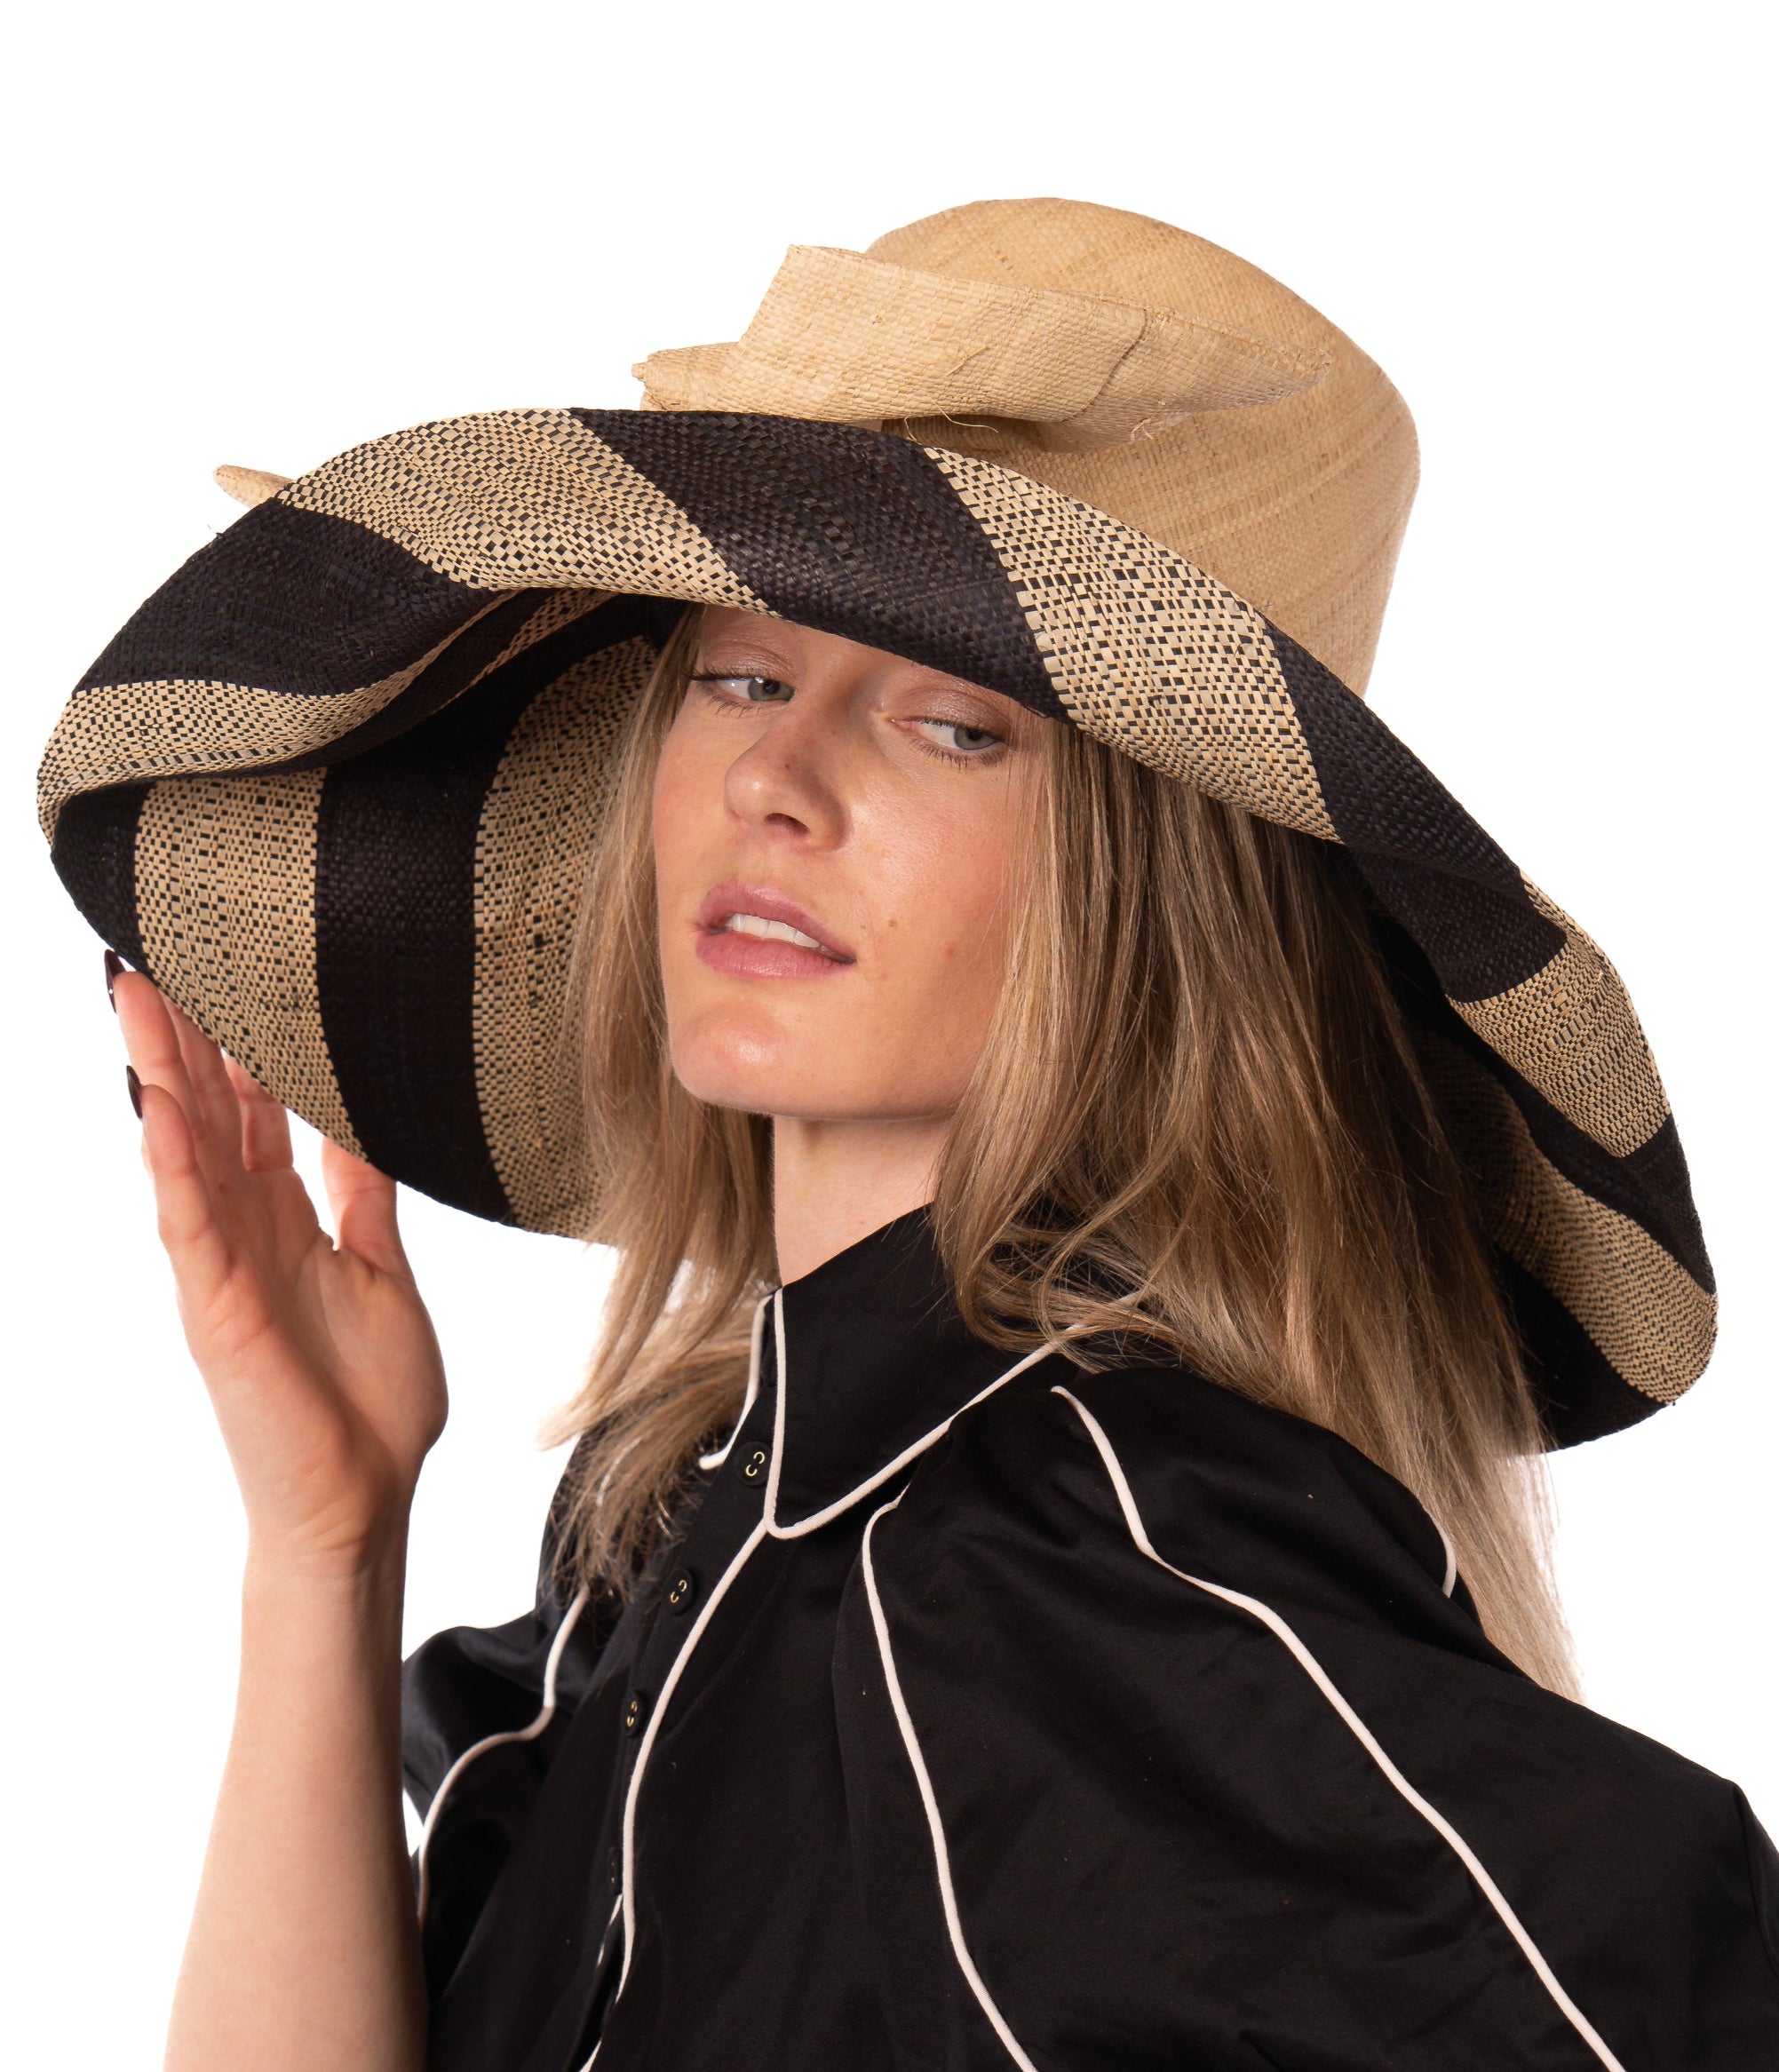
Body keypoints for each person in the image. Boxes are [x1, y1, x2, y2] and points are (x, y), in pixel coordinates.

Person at [43, 200, 1777, 2069]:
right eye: (743, 676)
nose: (776, 779)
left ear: (1147, 892)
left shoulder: (1068, 1543)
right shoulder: (698, 1523)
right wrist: (324, 1540)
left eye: (953, 725)